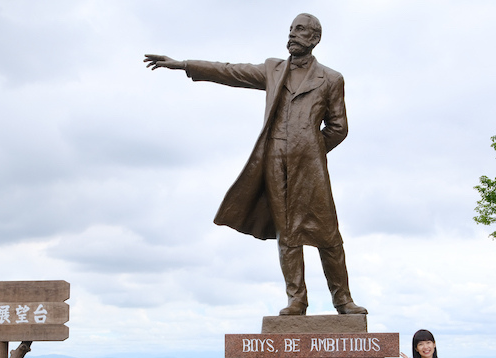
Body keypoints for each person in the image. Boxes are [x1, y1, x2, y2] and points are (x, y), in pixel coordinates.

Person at [144, 13, 367, 316]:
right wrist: (184, 64)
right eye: (290, 29)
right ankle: (297, 300)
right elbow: (230, 72)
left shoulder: (331, 79)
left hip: (310, 167)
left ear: (314, 39)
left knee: (327, 233)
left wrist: (310, 149)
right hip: (274, 162)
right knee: (287, 233)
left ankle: (343, 300)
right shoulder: (274, 69)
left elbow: (338, 127)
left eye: (299, 30)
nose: (291, 35)